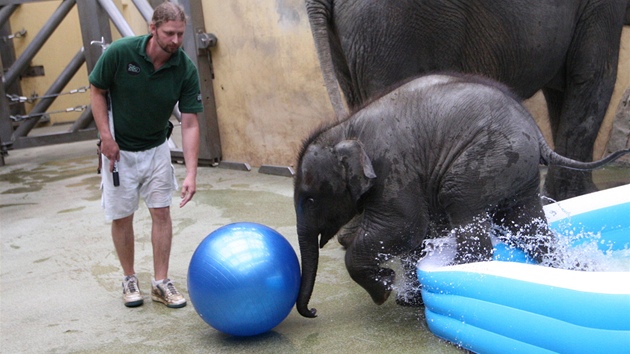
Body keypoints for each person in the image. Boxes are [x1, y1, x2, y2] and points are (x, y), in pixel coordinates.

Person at [89, 2, 202, 308]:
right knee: (122, 216)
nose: (176, 41)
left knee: (161, 212)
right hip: (118, 153)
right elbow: (96, 90)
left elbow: (190, 122)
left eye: (180, 34)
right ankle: (129, 278)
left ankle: (161, 282)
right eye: (169, 34)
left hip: (156, 150)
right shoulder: (121, 53)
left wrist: (191, 172)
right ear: (153, 28)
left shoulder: (184, 68)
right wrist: (106, 138)